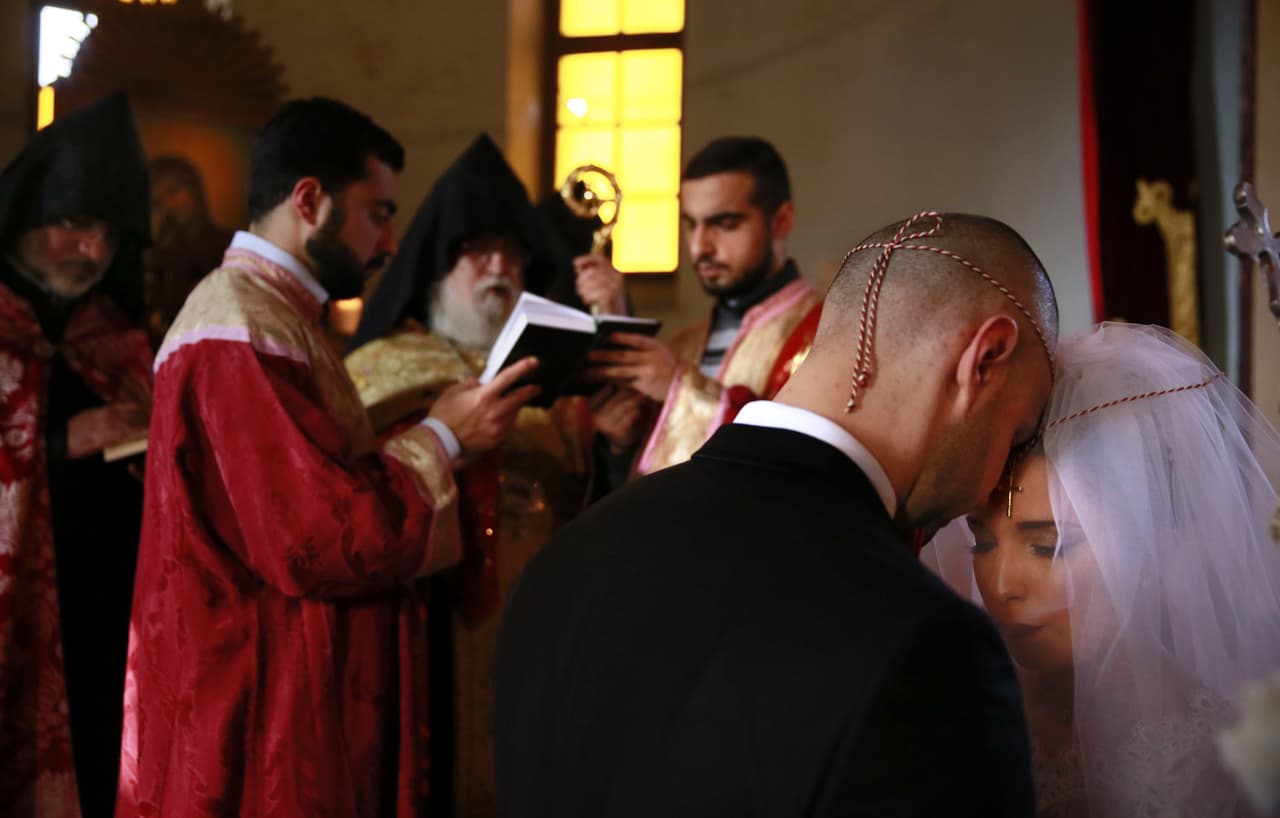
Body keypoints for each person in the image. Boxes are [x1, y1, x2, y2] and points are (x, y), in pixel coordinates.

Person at [495, 211, 1059, 817]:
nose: (987, 492)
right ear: (986, 359)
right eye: (1017, 429)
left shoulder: (562, 563)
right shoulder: (929, 646)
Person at [117, 99, 539, 818]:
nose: (387, 242)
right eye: (377, 213)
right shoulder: (239, 327)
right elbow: (311, 537)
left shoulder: (276, 316)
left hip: (284, 684)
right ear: (309, 200)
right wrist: (442, 437)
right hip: (257, 706)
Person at [346, 132, 642, 816]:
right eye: (478, 251)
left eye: (511, 252)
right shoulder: (383, 367)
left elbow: (594, 503)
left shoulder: (555, 384)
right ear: (436, 264)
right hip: (428, 621)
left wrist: (615, 447)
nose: (498, 266)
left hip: (537, 618)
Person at [925, 322, 1280, 817]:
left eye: (1048, 548)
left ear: (1147, 545)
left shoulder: (1222, 754)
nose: (1001, 586)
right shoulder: (958, 713)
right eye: (982, 544)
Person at [0, 92, 152, 818]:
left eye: (107, 236)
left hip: (106, 613)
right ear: (26, 218)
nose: (92, 251)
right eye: (71, 225)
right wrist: (61, 444)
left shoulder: (113, 335)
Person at [587, 136, 822, 475]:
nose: (700, 247)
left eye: (725, 224)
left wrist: (678, 387)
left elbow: (804, 471)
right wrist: (621, 444)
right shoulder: (682, 344)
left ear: (781, 221)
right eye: (691, 224)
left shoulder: (827, 335)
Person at [142, 155, 232, 347]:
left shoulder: (228, 247)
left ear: (196, 193)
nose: (168, 205)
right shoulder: (151, 253)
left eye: (174, 192)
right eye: (158, 201)